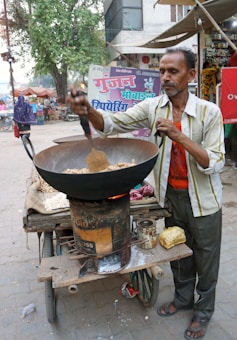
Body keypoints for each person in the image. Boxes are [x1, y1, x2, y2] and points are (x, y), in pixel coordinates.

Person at [68, 47, 225, 340]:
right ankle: (182, 299)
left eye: (173, 71)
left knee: (206, 259)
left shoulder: (209, 112)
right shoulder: (153, 107)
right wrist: (88, 110)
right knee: (179, 254)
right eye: (161, 71)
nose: (165, 77)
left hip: (204, 202)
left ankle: (203, 312)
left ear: (191, 75)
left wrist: (178, 135)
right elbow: (112, 125)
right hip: (171, 198)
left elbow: (214, 162)